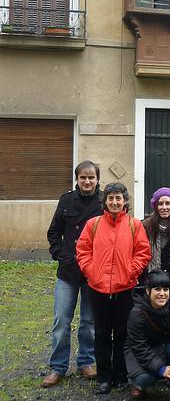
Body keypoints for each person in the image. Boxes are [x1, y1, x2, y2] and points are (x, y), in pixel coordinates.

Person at [76, 182, 151, 394]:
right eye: (111, 198)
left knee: (122, 333)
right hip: (98, 288)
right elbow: (82, 250)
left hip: (124, 288)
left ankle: (120, 374)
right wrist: (91, 272)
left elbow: (143, 252)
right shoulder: (93, 224)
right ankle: (104, 377)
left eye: (118, 198)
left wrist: (130, 272)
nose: (115, 202)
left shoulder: (134, 225)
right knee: (101, 333)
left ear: (124, 200)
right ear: (105, 201)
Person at [42, 160, 103, 388]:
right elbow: (54, 232)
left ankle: (86, 362)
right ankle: (58, 367)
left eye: (91, 177)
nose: (87, 181)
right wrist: (61, 255)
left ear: (97, 180)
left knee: (89, 321)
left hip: (92, 272)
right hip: (67, 272)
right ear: (77, 179)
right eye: (83, 177)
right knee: (61, 320)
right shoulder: (66, 201)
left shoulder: (104, 202)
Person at [124, 270, 170, 401]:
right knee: (145, 377)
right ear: (148, 291)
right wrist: (160, 369)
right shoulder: (137, 313)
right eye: (157, 289)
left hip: (166, 344)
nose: (162, 294)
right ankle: (138, 385)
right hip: (141, 351)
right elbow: (139, 347)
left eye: (165, 289)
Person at [143, 187, 170, 300]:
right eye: (160, 204)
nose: (164, 207)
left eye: (168, 203)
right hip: (153, 279)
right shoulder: (146, 226)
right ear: (155, 206)